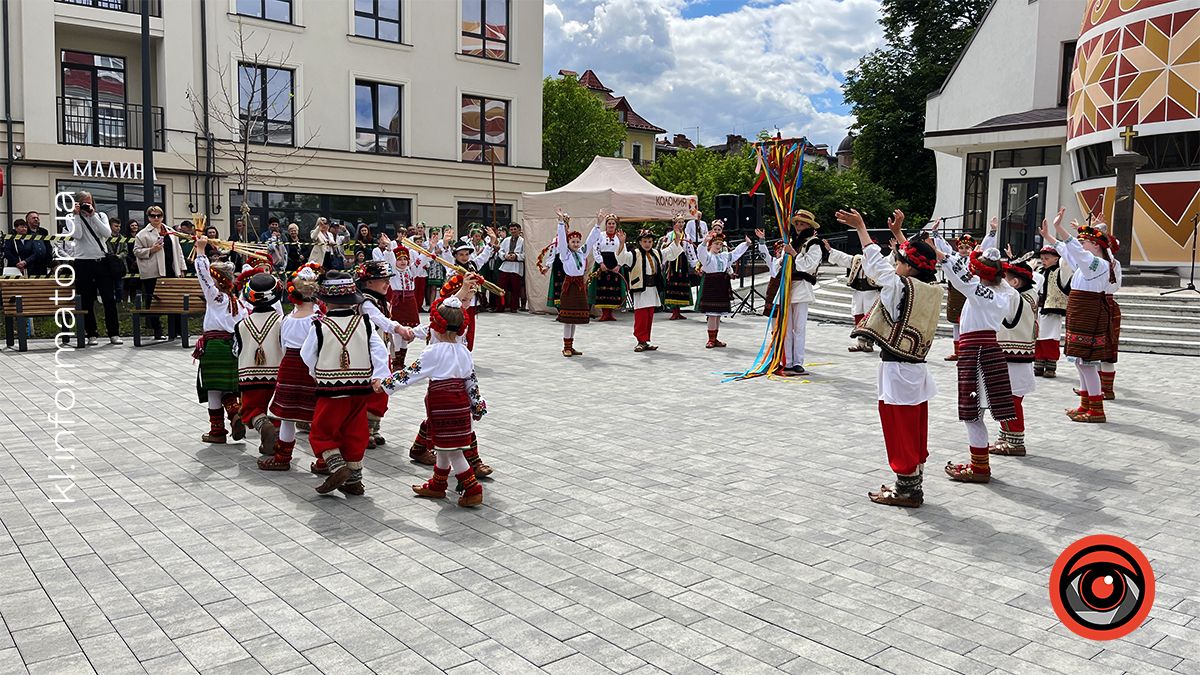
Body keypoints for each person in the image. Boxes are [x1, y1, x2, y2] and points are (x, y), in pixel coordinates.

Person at [840, 209, 942, 508]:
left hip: (898, 368)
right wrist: (900, 236)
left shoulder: (901, 286)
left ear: (908, 268)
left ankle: (906, 488)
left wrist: (861, 228)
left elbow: (875, 265)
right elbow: (912, 259)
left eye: (898, 261)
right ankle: (912, 480)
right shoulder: (931, 288)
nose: (894, 264)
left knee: (899, 427)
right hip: (916, 368)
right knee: (914, 425)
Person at [381, 291, 488, 507]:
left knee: (454, 452)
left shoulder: (433, 352)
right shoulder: (464, 351)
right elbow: (471, 381)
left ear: (436, 327)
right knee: (445, 447)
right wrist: (477, 405)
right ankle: (438, 485)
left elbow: (410, 374)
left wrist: (384, 385)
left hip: (442, 405)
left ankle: (472, 489)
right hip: (460, 406)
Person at [301, 270, 391, 496]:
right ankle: (354, 482)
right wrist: (378, 375)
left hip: (331, 391)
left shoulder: (319, 326)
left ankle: (337, 466)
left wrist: (317, 372)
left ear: (326, 302)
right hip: (360, 389)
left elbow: (307, 354)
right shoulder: (366, 323)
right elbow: (379, 351)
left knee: (322, 431)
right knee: (356, 431)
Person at [939, 233, 1017, 485]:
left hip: (977, 352)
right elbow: (972, 279)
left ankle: (979, 467)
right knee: (976, 413)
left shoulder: (985, 295)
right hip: (987, 349)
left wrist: (941, 256)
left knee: (972, 414)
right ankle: (979, 463)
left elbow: (963, 280)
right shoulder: (1005, 294)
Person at [1040, 211, 1115, 423]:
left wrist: (1061, 229)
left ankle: (1097, 409)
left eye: (1086, 242)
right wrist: (1049, 237)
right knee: (1080, 361)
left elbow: (1076, 252)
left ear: (1097, 245)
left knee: (1087, 362)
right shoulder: (1085, 265)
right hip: (1080, 311)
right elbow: (1067, 251)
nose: (1082, 244)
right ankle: (1085, 404)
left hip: (1089, 312)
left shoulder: (1099, 264)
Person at [260, 263, 322, 472]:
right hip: (311, 369)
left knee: (287, 417)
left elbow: (284, 346)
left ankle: (282, 457)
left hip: (289, 367)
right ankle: (323, 458)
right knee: (318, 416)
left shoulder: (286, 319)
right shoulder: (318, 319)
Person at [193, 234, 247, 443]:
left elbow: (201, 273)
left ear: (216, 280)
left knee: (213, 388)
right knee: (228, 385)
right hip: (233, 348)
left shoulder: (214, 297)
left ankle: (217, 431)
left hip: (214, 347)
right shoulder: (239, 303)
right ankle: (234, 413)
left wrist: (200, 249)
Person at [232, 271, 285, 456]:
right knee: (275, 408)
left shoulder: (241, 325)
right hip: (277, 373)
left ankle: (265, 429)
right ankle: (275, 440)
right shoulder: (282, 322)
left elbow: (236, 350)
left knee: (251, 409)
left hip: (249, 375)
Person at [992, 260, 1038, 457]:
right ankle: (1006, 436)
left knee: (1010, 400)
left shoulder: (1017, 299)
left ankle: (1015, 441)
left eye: (1006, 279)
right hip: (1019, 357)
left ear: (1016, 283)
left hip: (1014, 358)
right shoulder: (1030, 295)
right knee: (1008, 399)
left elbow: (1006, 291)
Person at [64, 191, 122, 345]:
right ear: (77, 203)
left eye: (89, 201)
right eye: (83, 202)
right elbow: (77, 235)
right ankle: (91, 333)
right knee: (87, 300)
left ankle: (114, 333)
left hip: (101, 261)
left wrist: (93, 215)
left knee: (109, 298)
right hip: (83, 262)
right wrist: (77, 215)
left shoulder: (101, 215)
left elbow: (107, 233)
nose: (87, 205)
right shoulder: (71, 218)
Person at [616, 228, 683, 352]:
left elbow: (670, 252)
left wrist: (677, 238)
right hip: (641, 288)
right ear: (640, 242)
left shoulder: (656, 253)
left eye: (650, 241)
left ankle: (645, 340)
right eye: (645, 241)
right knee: (641, 316)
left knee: (649, 315)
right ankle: (640, 340)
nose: (647, 244)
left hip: (652, 288)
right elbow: (621, 258)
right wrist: (621, 243)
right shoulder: (634, 254)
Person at [774, 210, 824, 374]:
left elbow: (809, 265)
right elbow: (779, 265)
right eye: (797, 223)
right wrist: (783, 257)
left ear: (809, 225)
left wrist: (794, 254)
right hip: (787, 285)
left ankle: (798, 361)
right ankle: (787, 361)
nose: (799, 226)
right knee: (786, 327)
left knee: (799, 327)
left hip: (801, 286)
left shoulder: (814, 243)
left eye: (802, 224)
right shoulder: (790, 240)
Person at [133, 206, 186, 341]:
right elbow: (136, 251)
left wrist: (182, 269)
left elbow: (179, 251)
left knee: (174, 301)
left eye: (158, 215)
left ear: (162, 216)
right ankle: (157, 330)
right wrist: (151, 249)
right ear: (148, 217)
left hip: (171, 271)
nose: (156, 218)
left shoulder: (170, 231)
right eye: (152, 216)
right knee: (153, 302)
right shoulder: (142, 234)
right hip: (153, 273)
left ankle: (177, 330)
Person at [694, 227, 750, 348]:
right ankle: (710, 339)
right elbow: (700, 253)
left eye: (720, 244)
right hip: (711, 284)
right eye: (715, 244)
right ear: (711, 245)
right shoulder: (708, 257)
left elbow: (735, 254)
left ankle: (715, 338)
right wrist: (704, 242)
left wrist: (746, 244)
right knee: (712, 314)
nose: (718, 246)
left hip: (722, 284)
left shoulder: (724, 256)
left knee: (718, 314)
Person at [554, 210, 601, 356]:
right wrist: (561, 223)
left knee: (574, 318)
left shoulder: (582, 252)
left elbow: (591, 240)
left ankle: (571, 345)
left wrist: (598, 224)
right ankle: (566, 347)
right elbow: (561, 240)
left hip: (579, 286)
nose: (575, 244)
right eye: (573, 241)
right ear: (568, 243)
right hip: (570, 286)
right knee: (568, 319)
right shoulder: (565, 254)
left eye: (577, 241)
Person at [824, 238, 881, 353]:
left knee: (870, 317)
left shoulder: (879, 262)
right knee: (858, 315)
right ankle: (860, 343)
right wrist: (830, 250)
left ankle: (869, 343)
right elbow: (844, 258)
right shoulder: (857, 259)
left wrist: (895, 251)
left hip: (871, 292)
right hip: (858, 292)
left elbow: (891, 261)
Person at [450, 227, 496, 350]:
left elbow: (484, 256)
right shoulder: (452, 268)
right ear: (455, 255)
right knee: (457, 330)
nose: (464, 257)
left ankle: (467, 353)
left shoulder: (473, 265)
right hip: (456, 304)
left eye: (466, 254)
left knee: (470, 330)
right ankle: (456, 353)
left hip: (472, 304)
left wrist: (492, 241)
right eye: (461, 254)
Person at [1033, 244, 1070, 378]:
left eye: (1047, 258)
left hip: (1053, 309)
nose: (1043, 261)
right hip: (1039, 308)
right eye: (1042, 258)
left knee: (1050, 337)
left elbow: (1067, 263)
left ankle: (1050, 364)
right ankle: (1038, 361)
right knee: (1037, 336)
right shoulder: (1039, 271)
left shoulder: (1061, 272)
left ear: (1056, 259)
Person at [942, 233, 975, 361]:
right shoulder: (953, 258)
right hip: (955, 294)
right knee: (955, 323)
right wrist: (935, 234)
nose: (964, 250)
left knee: (967, 323)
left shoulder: (973, 260)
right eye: (961, 247)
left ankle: (967, 350)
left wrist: (993, 232)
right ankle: (957, 351)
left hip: (967, 294)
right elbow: (944, 248)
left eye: (967, 248)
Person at [590, 212, 628, 321]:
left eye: (613, 223)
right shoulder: (600, 235)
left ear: (616, 225)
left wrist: (619, 265)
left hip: (615, 263)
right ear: (606, 225)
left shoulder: (619, 237)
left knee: (614, 289)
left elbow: (623, 250)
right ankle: (604, 313)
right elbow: (596, 249)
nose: (611, 225)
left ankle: (610, 313)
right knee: (602, 288)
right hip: (603, 263)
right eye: (609, 223)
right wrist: (600, 263)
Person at [660, 214, 697, 319]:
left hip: (682, 261)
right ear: (674, 224)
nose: (681, 224)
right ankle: (673, 311)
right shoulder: (670, 235)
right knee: (672, 284)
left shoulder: (686, 236)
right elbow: (664, 249)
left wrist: (695, 264)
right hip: (672, 262)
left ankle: (678, 310)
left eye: (682, 222)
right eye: (679, 222)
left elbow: (690, 251)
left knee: (682, 285)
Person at [497, 223, 525, 312]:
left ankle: (514, 307)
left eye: (514, 229)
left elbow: (526, 254)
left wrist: (516, 256)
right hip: (505, 266)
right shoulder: (506, 240)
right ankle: (500, 306)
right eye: (511, 230)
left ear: (519, 230)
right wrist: (505, 256)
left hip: (516, 267)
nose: (513, 231)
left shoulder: (523, 241)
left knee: (515, 289)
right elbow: (500, 251)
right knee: (501, 288)